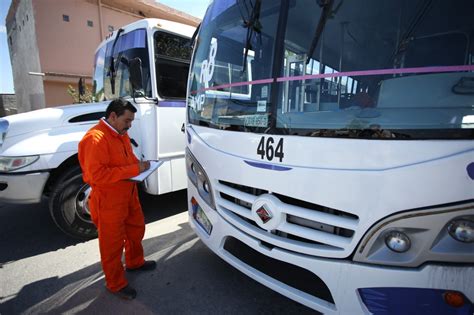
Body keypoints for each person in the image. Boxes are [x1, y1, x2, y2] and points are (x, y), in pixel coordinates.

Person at [78, 98, 155, 300]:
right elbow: (96, 176)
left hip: (128, 195)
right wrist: (134, 169)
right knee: (111, 244)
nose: (129, 125)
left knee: (135, 230)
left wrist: (141, 164)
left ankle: (135, 262)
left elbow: (127, 160)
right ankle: (115, 283)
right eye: (127, 120)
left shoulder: (120, 133)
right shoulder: (94, 139)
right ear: (113, 116)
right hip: (109, 201)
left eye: (131, 121)